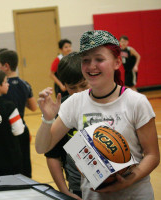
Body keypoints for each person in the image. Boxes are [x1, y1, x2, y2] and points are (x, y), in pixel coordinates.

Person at [35, 30, 160, 200]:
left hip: (135, 195)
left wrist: (127, 180)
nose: (91, 66)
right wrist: (48, 119)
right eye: (85, 60)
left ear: (117, 62)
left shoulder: (136, 102)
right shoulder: (74, 103)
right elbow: (42, 147)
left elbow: (152, 155)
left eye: (99, 59)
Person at [45, 52, 89, 200]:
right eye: (72, 88)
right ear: (64, 86)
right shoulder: (62, 109)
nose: (79, 93)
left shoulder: (107, 102)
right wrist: (64, 191)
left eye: (84, 85)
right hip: (78, 189)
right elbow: (52, 154)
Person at [0, 50, 37, 178]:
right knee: (25, 166)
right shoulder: (25, 85)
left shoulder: (1, 87)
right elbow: (33, 107)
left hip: (7, 132)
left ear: (6, 66)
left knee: (10, 169)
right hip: (23, 128)